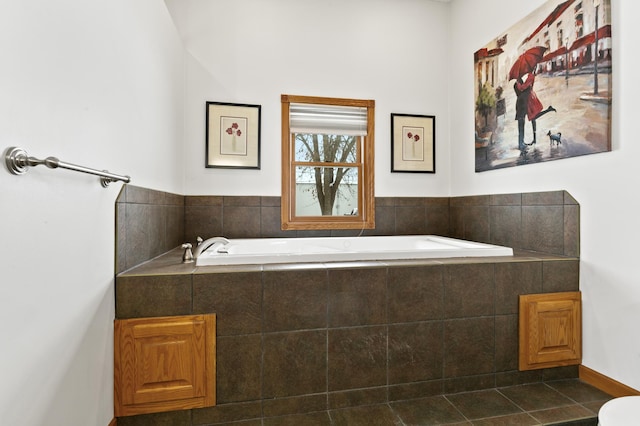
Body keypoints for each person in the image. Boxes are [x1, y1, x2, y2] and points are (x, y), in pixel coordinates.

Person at [514, 69, 556, 148]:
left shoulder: (529, 78)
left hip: (527, 103)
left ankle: (526, 141)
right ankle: (531, 140)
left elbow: (522, 88)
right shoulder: (528, 78)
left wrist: (519, 85)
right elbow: (520, 91)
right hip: (525, 103)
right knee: (532, 118)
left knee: (531, 118)